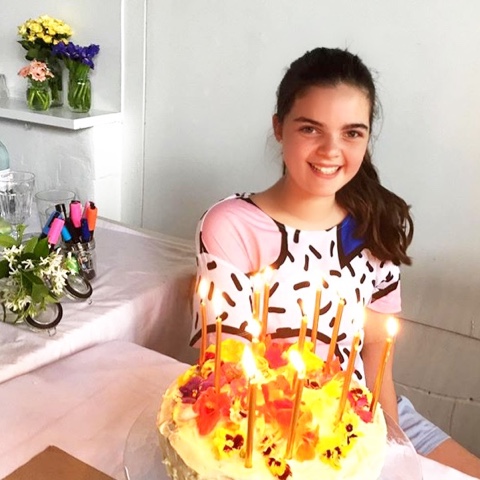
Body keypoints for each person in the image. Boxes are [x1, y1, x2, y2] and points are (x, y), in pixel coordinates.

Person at [189, 47, 480, 477]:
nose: (331, 150)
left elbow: (377, 361)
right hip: (273, 431)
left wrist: (389, 445)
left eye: (352, 133)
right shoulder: (233, 226)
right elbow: (226, 372)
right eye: (310, 128)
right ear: (279, 127)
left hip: (367, 411)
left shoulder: (375, 226)